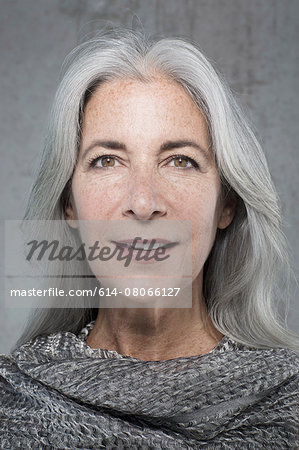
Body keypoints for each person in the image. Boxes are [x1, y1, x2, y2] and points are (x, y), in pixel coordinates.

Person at [0, 26, 298, 448]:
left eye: (180, 161)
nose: (143, 202)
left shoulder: (291, 403)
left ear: (226, 204)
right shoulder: (8, 407)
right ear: (69, 204)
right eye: (107, 161)